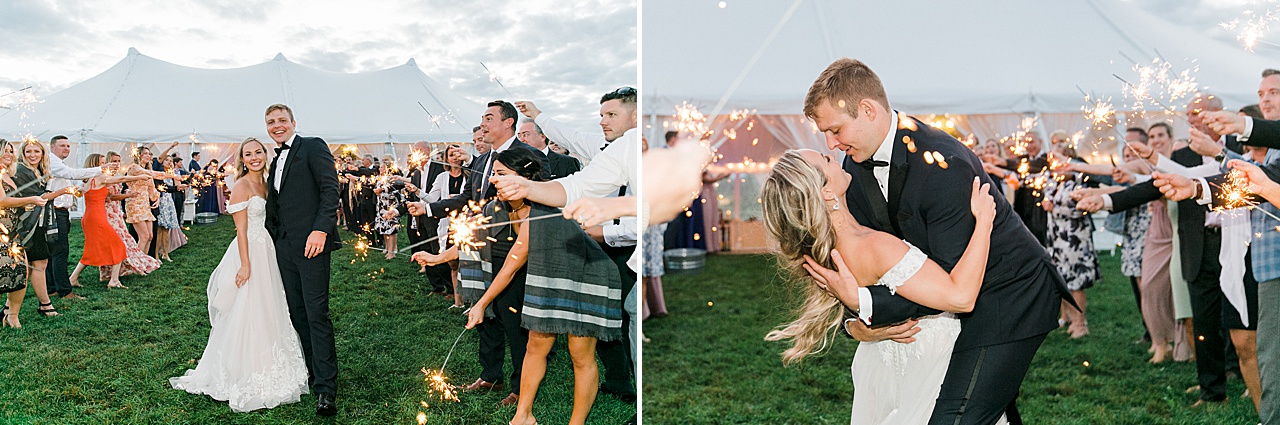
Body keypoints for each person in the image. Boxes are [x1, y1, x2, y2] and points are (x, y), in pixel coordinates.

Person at [797, 58, 1071, 424]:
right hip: (947, 297)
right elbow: (865, 261)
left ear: (867, 110)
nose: (831, 143)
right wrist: (856, 321)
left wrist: (866, 308)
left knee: (958, 414)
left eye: (835, 129)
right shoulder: (849, 169)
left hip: (1006, 294)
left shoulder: (942, 164)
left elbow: (947, 280)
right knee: (987, 406)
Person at [761, 150, 997, 424]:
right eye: (827, 160)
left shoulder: (826, 248)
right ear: (826, 192)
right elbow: (961, 297)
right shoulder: (874, 247)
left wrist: (857, 327)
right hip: (924, 360)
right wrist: (984, 222)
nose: (835, 158)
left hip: (881, 364)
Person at [416, 148, 623, 425]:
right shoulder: (497, 207)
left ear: (525, 178)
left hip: (585, 276)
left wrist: (480, 304)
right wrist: (437, 257)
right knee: (536, 345)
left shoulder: (542, 209)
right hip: (548, 279)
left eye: (501, 174)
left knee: (580, 354)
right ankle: (523, 416)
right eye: (493, 173)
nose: (492, 179)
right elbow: (474, 239)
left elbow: (511, 265)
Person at [169, 137, 308, 412]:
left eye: (258, 152)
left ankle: (271, 362)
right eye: (248, 154)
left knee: (271, 305)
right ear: (241, 159)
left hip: (268, 249)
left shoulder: (268, 183)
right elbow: (241, 230)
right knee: (249, 306)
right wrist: (245, 265)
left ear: (265, 155)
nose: (254, 157)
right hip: (249, 251)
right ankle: (244, 368)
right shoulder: (241, 185)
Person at [262, 104, 342, 416]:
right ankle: (310, 372)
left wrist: (321, 230)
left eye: (282, 120)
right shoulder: (274, 159)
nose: (277, 125)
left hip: (312, 246)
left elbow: (329, 188)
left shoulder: (312, 146)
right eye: (271, 122)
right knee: (297, 313)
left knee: (316, 313)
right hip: (283, 248)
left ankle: (326, 388)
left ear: (294, 122)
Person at [8, 139, 77, 318]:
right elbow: (39, 197)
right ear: (23, 153)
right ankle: (44, 305)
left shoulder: (38, 171)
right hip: (28, 224)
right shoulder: (22, 171)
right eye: (28, 151)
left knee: (35, 265)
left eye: (36, 152)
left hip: (39, 222)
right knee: (37, 264)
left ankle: (11, 308)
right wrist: (64, 191)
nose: (33, 155)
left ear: (43, 154)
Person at [67, 154, 148, 288]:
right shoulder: (99, 177)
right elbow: (121, 178)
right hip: (97, 218)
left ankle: (73, 278)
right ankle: (114, 280)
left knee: (91, 249)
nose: (107, 165)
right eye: (103, 163)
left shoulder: (86, 180)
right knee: (119, 245)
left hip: (89, 218)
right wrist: (140, 176)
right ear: (96, 165)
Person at [0, 140, 53, 329]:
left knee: (19, 272)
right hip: (1, 231)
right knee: (6, 273)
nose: (8, 153)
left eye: (10, 150)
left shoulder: (9, 174)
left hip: (14, 231)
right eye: (4, 150)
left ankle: (11, 315)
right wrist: (31, 199)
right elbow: (2, 201)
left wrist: (26, 203)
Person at [45, 135, 102, 301]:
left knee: (53, 253)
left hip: (60, 211)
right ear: (52, 147)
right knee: (61, 252)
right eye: (62, 145)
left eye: (68, 146)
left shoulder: (58, 164)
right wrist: (100, 169)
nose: (66, 149)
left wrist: (76, 190)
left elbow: (63, 183)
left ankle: (52, 288)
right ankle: (65, 291)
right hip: (56, 212)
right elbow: (70, 173)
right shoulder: (53, 161)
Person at [96, 152, 162, 281]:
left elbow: (151, 189)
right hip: (129, 205)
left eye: (118, 161)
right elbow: (110, 196)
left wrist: (157, 198)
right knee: (142, 236)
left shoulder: (142, 171)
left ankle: (142, 263)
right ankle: (136, 265)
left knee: (149, 236)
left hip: (139, 205)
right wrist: (127, 195)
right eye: (114, 161)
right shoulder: (133, 168)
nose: (117, 163)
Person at [424, 144, 470, 308]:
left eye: (458, 154)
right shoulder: (442, 177)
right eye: (451, 155)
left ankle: (471, 301)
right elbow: (432, 199)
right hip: (448, 225)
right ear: (446, 159)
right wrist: (417, 191)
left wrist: (457, 198)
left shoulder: (470, 175)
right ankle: (458, 301)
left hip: (467, 224)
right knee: (453, 263)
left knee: (468, 263)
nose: (455, 157)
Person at [372, 155, 403, 260]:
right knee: (384, 227)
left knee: (391, 228)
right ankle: (387, 247)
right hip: (381, 206)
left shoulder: (393, 177)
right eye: (380, 167)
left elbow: (397, 186)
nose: (380, 169)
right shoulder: (380, 178)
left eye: (382, 167)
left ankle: (392, 251)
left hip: (391, 206)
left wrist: (382, 189)